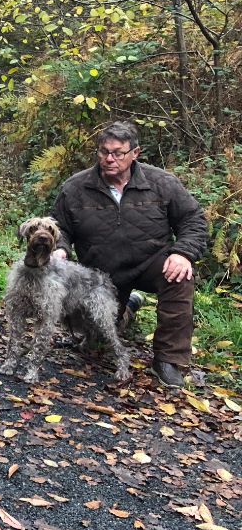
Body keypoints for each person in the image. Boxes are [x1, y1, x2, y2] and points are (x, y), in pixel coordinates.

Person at [51, 121, 207, 387]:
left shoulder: (162, 183)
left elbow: (193, 220)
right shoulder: (76, 188)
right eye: (103, 152)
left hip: (152, 262)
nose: (109, 159)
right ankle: (128, 307)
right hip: (102, 272)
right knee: (95, 339)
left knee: (181, 278)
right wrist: (60, 249)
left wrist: (183, 253)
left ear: (135, 153)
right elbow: (58, 225)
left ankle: (168, 360)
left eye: (117, 153)